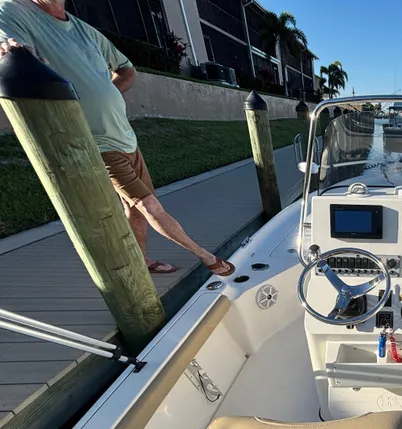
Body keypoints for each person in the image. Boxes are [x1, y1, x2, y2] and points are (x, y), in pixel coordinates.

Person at [0, 0, 235, 276]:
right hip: (97, 143)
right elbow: (13, 50)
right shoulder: (12, 10)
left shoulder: (84, 30)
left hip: (125, 138)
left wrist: (104, 94)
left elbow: (127, 70)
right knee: (150, 207)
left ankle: (142, 262)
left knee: (135, 209)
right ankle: (207, 258)